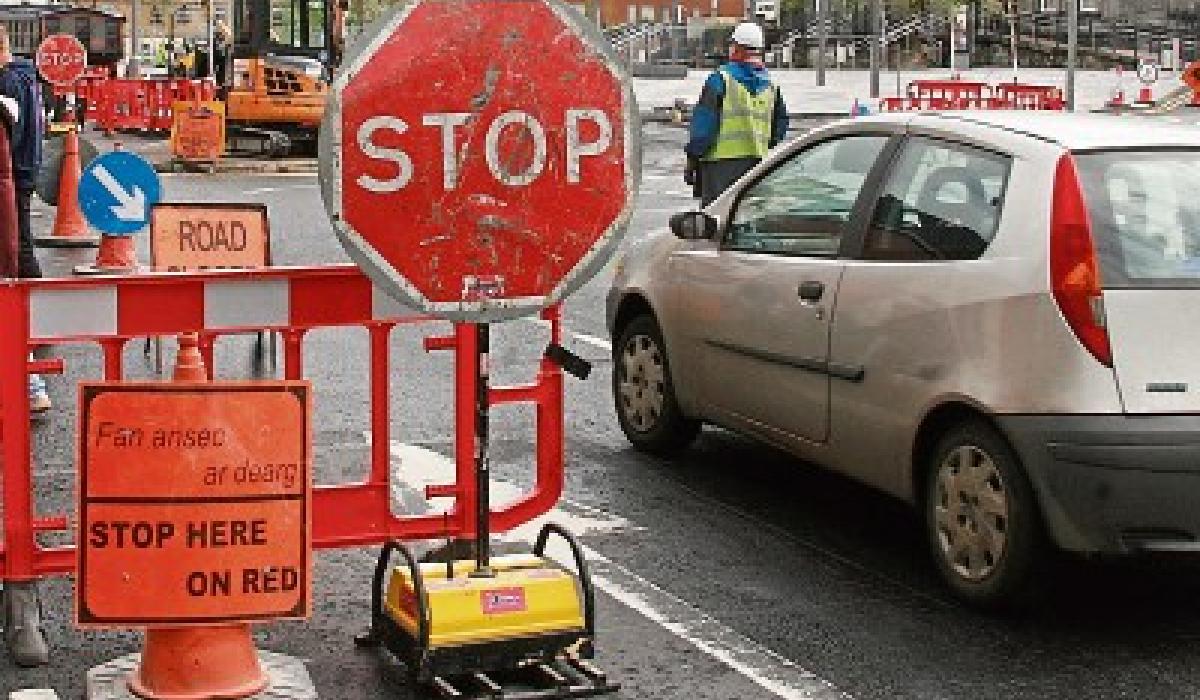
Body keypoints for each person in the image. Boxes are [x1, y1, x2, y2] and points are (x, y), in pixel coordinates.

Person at [684, 22, 789, 206]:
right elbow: (780, 124)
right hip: (757, 164)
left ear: (738, 49)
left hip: (720, 167)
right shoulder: (771, 86)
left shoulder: (720, 79)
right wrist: (763, 144)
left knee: (717, 219)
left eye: (732, 45)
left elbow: (703, 126)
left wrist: (693, 157)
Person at [0, 26, 49, 414]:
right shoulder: (26, 78)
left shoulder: (9, 84)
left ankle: (33, 313)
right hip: (23, 169)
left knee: (18, 246)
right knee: (20, 243)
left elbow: (10, 134)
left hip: (12, 173)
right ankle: (37, 312)